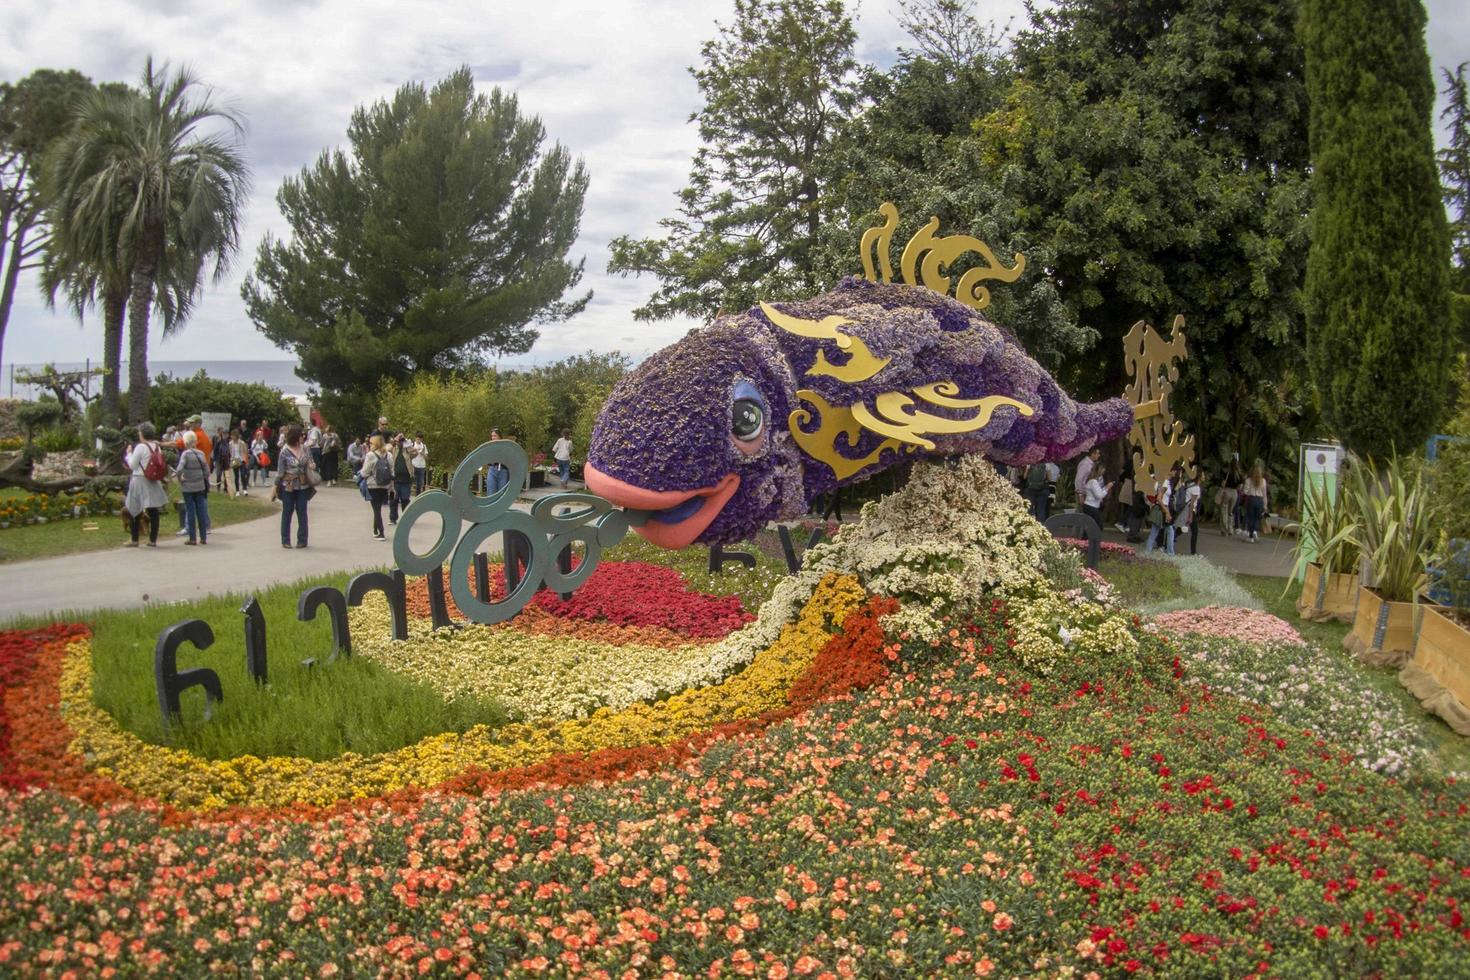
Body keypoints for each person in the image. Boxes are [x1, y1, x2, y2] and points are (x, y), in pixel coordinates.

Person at [124, 423, 169, 547]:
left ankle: (134, 539)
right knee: (153, 509)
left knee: (135, 509)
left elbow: (132, 465)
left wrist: (128, 454)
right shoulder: (156, 447)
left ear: (142, 434)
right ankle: (152, 540)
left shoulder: (140, 447)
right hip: (152, 479)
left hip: (139, 479)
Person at [272, 424, 313, 549]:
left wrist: (312, 465)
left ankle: (302, 540)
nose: (303, 437)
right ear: (295, 436)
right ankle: (286, 540)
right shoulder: (285, 451)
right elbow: (280, 471)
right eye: (301, 435)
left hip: (302, 484)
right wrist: (275, 485)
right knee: (287, 511)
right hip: (288, 485)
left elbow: (310, 460)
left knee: (302, 511)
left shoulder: (305, 448)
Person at [175, 431, 211, 545]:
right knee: (201, 511)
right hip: (200, 487)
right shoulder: (201, 453)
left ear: (186, 442)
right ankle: (203, 537)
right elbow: (207, 471)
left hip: (188, 488)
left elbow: (179, 469)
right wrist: (201, 478)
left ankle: (192, 538)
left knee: (190, 511)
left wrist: (181, 479)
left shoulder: (185, 454)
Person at [361, 434, 392, 540]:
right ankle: (375, 529)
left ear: (375, 444)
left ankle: (381, 532)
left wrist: (363, 475)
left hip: (373, 485)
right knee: (377, 508)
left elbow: (364, 472)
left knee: (376, 509)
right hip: (385, 485)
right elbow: (392, 471)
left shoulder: (371, 455)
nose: (369, 445)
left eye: (371, 443)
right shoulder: (389, 455)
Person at [1145, 466, 1180, 555]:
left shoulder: (1161, 481)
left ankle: (1147, 552)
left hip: (1160, 508)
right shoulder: (1165, 482)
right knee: (1169, 530)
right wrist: (1167, 511)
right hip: (1162, 508)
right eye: (1174, 471)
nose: (1175, 473)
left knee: (1155, 531)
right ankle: (1170, 552)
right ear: (1170, 471)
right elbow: (1159, 498)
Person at [387, 434, 413, 523]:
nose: (400, 443)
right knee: (393, 499)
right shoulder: (393, 449)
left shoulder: (407, 450)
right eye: (399, 441)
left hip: (406, 478)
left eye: (402, 441)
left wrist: (408, 445)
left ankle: (406, 519)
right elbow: (387, 449)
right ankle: (393, 518)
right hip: (395, 478)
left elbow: (415, 453)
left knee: (405, 499)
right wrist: (395, 440)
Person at [1242, 460, 1269, 543]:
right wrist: (1265, 505)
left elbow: (1245, 491)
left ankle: (1251, 537)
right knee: (1257, 518)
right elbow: (1265, 494)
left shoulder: (1248, 480)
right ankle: (1254, 531)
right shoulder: (1263, 481)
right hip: (1260, 500)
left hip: (1251, 499)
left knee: (1251, 517)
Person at [1220, 457, 1243, 537]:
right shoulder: (1239, 474)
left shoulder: (1228, 473)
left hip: (1227, 491)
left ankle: (1224, 529)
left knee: (1224, 510)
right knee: (1230, 512)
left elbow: (1223, 483)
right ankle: (1230, 529)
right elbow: (1240, 486)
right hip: (1234, 493)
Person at [1186, 463, 1205, 555]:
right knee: (1195, 531)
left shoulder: (1190, 485)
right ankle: (1193, 552)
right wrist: (1190, 516)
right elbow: (1192, 503)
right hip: (1190, 510)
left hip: (1187, 510)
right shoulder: (1196, 488)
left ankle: (1164, 542)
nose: (1204, 476)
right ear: (1199, 475)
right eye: (1203, 474)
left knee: (1180, 529)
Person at [486, 428, 509, 496]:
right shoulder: (489, 446)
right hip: (492, 470)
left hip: (503, 471)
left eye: (495, 435)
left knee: (502, 494)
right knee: (491, 492)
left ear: (499, 436)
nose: (493, 438)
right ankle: (490, 506)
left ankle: (501, 506)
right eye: (492, 436)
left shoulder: (505, 446)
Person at [346, 435, 368, 500]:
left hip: (359, 459)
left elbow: (364, 454)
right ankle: (355, 474)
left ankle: (359, 473)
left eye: (359, 440)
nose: (358, 441)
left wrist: (362, 458)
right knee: (356, 461)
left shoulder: (361, 447)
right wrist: (358, 458)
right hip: (352, 459)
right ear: (355, 440)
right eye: (357, 440)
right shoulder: (351, 446)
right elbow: (351, 455)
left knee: (362, 462)